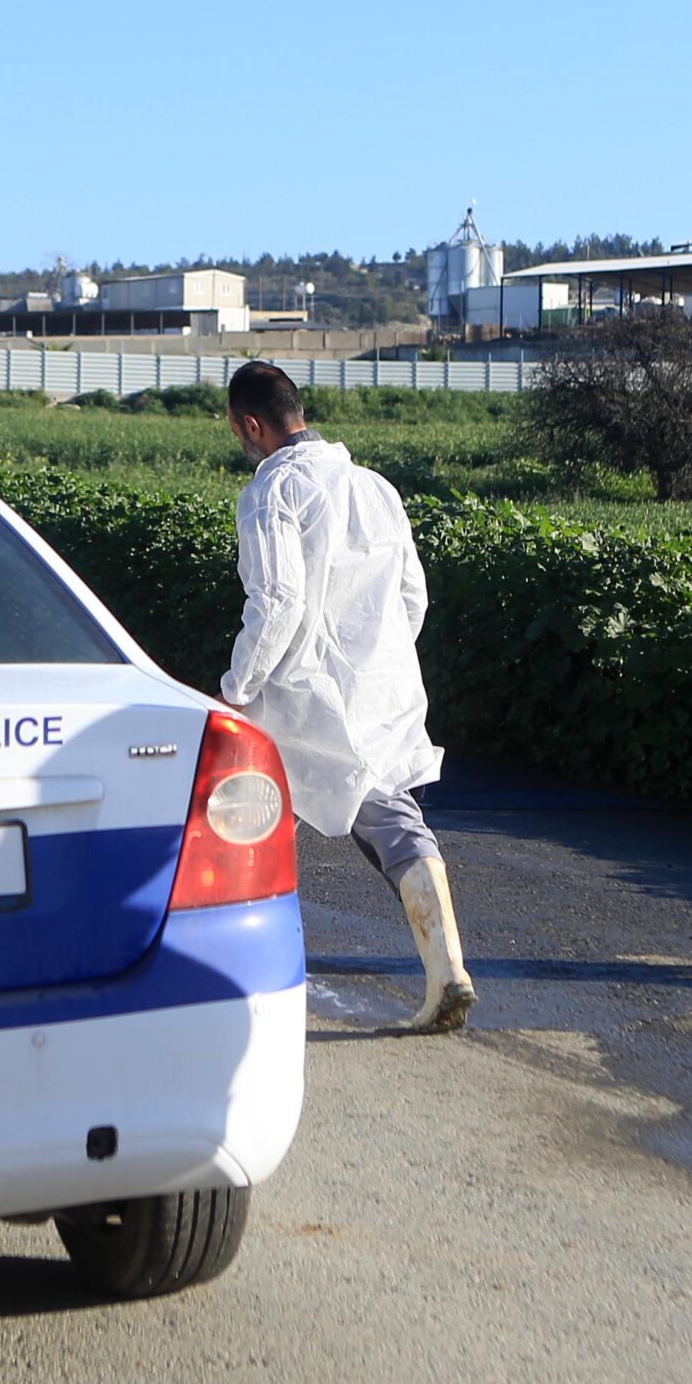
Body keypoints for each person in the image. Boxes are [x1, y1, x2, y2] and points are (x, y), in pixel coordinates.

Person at [217, 361, 475, 1034]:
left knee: (247, 816)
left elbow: (275, 602)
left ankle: (228, 977)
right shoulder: (376, 489)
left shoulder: (272, 491)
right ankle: (443, 970)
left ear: (250, 424)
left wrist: (236, 689)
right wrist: (378, 659)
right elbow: (413, 596)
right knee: (384, 821)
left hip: (305, 699)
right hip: (381, 691)